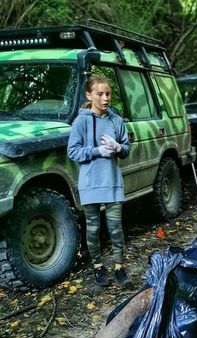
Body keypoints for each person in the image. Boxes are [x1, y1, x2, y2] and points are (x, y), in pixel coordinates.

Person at [68, 76, 131, 287]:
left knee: (115, 228)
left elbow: (127, 149)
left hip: (113, 182)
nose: (105, 98)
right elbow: (73, 152)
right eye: (100, 94)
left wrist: (119, 147)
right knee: (93, 229)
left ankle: (119, 266)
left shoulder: (116, 120)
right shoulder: (81, 121)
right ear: (89, 95)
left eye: (108, 94)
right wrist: (97, 151)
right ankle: (97, 267)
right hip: (90, 184)